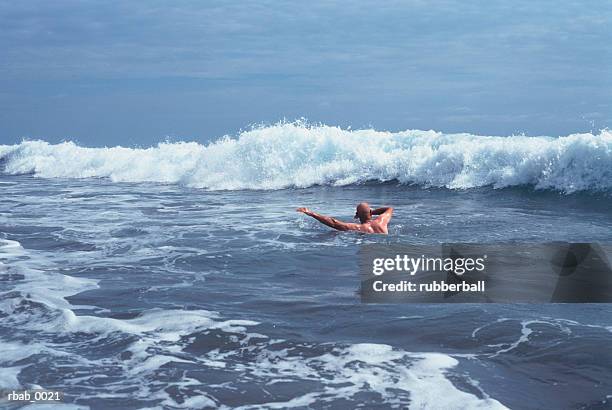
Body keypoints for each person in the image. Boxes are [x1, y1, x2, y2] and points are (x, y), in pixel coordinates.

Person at [296, 202, 393, 234]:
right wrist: (371, 212)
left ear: (357, 215)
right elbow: (389, 208)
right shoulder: (381, 222)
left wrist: (311, 213)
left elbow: (333, 223)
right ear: (371, 213)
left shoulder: (358, 228)